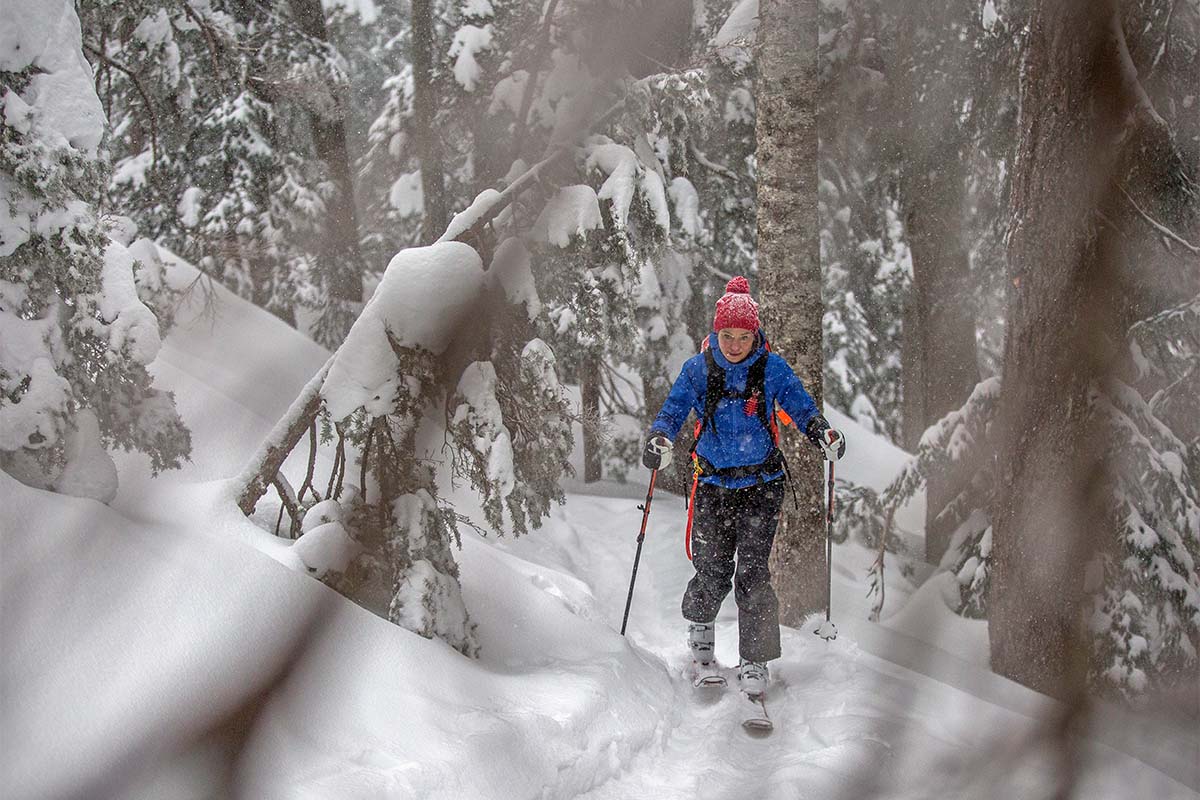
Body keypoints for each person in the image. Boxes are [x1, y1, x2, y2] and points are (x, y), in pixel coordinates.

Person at [641, 276, 845, 697]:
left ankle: (754, 660)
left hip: (761, 485)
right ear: (716, 334)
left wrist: (821, 432)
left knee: (753, 572)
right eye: (727, 335)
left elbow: (799, 404)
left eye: (743, 336)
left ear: (756, 334)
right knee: (712, 567)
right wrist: (659, 438)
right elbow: (673, 410)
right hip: (713, 485)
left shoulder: (771, 368)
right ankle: (701, 631)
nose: (735, 344)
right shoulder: (698, 370)